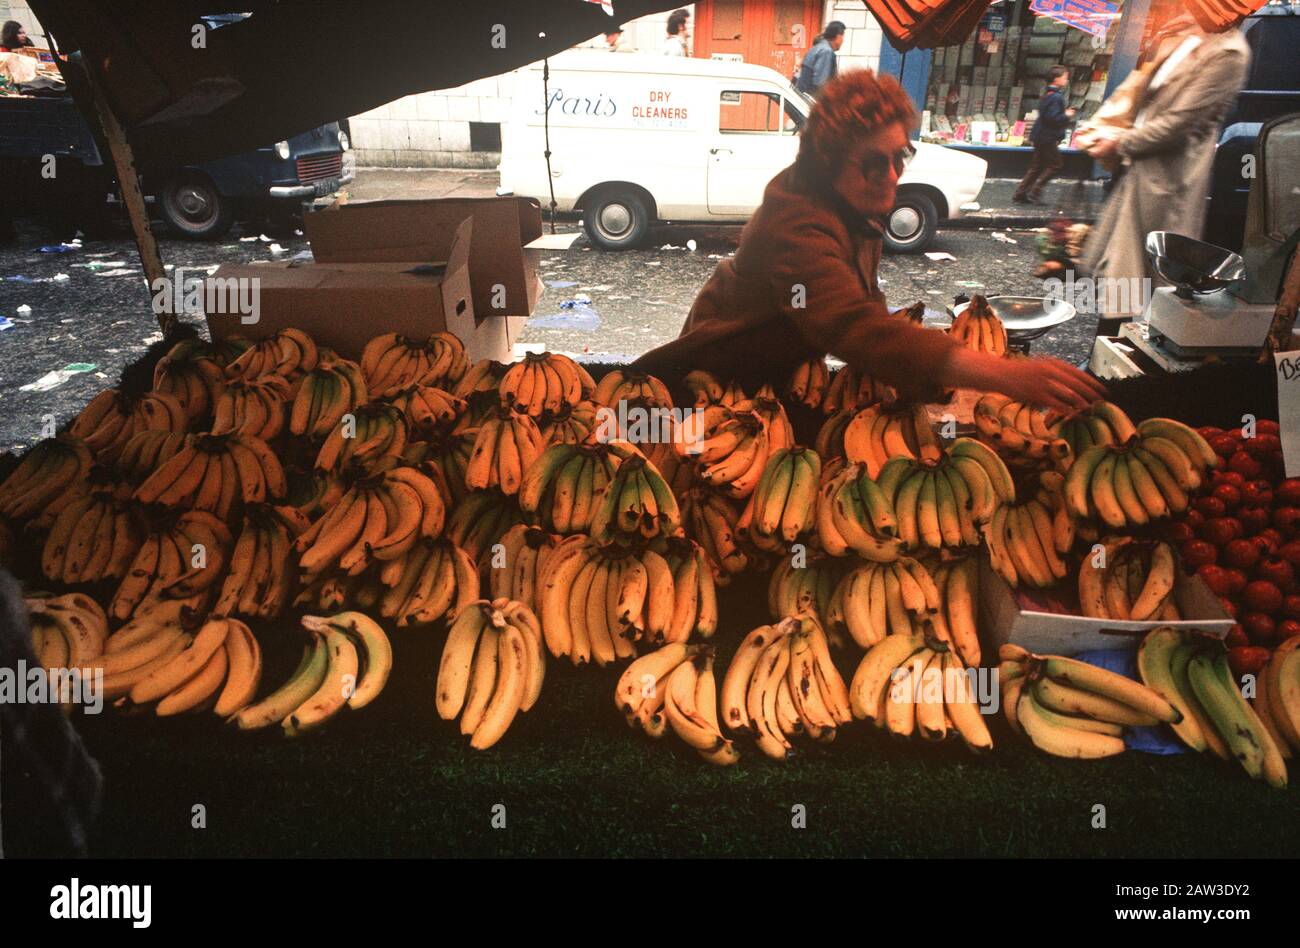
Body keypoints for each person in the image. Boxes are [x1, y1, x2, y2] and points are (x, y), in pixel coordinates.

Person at [634, 70, 1106, 413]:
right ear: (829, 162)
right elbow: (856, 329)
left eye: (899, 157)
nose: (892, 176)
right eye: (874, 164)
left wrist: (923, 372)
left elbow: (865, 302)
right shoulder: (794, 225)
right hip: (717, 381)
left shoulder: (854, 204)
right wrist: (1008, 376)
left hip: (785, 374)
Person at [1081, 15, 1250, 327]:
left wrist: (1118, 144)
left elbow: (1178, 125)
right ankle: (1105, 361)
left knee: (1141, 290)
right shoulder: (1189, 33)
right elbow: (1146, 97)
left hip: (1165, 187)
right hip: (1136, 174)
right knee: (1118, 280)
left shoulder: (1229, 54)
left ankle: (1121, 367)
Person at [1013, 66, 1075, 205]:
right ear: (1056, 78)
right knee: (1056, 164)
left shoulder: (1047, 93)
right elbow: (1052, 118)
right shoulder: (1056, 97)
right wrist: (1066, 115)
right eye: (1065, 77)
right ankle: (1035, 191)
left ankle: (1020, 193)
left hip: (1040, 135)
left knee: (1037, 166)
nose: (1066, 80)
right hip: (1047, 137)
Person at [796, 21, 846, 98]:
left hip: (803, 98)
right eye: (843, 36)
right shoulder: (826, 51)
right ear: (838, 36)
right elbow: (821, 84)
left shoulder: (816, 48)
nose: (843, 40)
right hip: (811, 101)